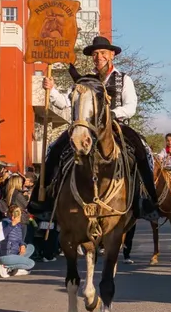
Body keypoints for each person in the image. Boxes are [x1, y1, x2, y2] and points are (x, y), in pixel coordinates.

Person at [29, 35, 160, 214]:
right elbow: (65, 103)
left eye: (103, 53)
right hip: (87, 128)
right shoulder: (85, 80)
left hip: (116, 125)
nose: (99, 57)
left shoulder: (124, 79)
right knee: (54, 149)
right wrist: (51, 89)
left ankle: (148, 199)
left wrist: (111, 114)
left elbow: (130, 107)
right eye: (95, 53)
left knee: (142, 151)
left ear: (112, 54)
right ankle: (44, 199)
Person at [0, 205, 34, 277]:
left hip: (15, 252)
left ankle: (16, 268)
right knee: (31, 264)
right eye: (16, 213)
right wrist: (12, 224)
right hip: (6, 254)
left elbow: (20, 239)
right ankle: (7, 267)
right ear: (11, 214)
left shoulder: (19, 225)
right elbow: (1, 236)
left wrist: (23, 245)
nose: (19, 215)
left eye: (20, 213)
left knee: (31, 247)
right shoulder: (5, 222)